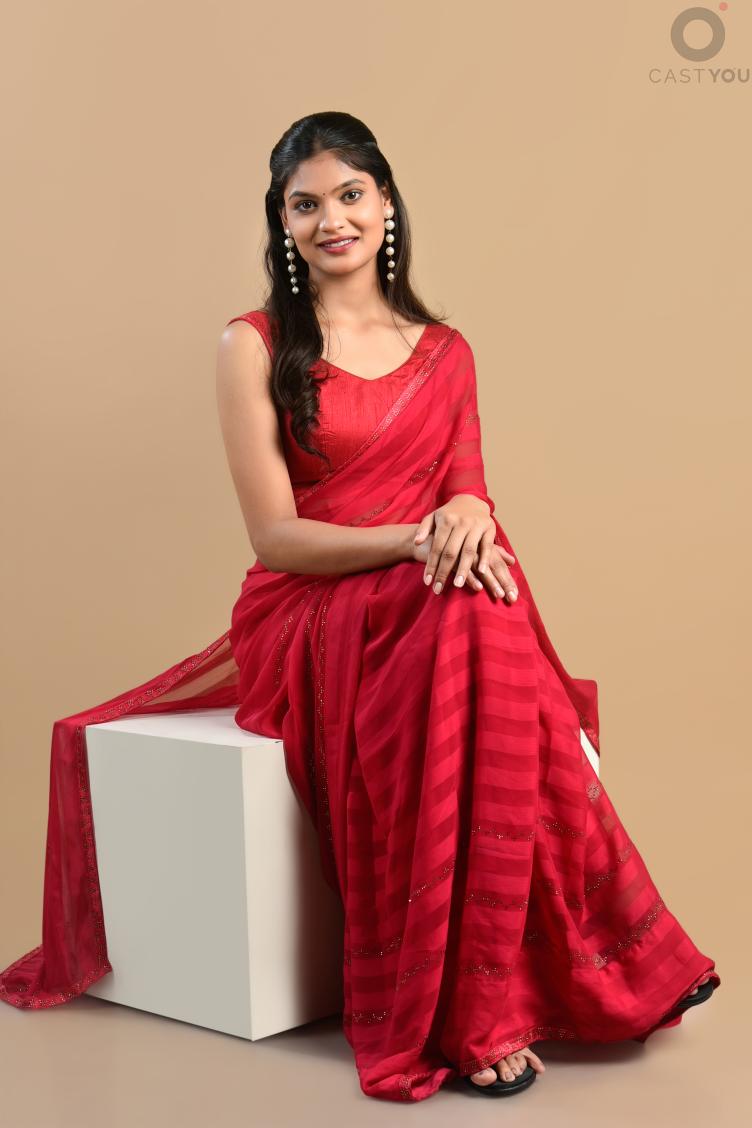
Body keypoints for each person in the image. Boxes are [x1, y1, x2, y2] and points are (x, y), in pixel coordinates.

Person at [0, 111, 719, 1103]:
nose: (331, 219)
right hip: (304, 610)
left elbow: (467, 497)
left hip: (421, 602)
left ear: (385, 204)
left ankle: (481, 998)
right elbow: (275, 540)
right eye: (305, 204)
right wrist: (421, 537)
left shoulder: (446, 351)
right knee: (465, 604)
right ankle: (526, 990)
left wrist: (468, 513)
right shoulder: (254, 345)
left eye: (349, 195)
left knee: (475, 598)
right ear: (282, 222)